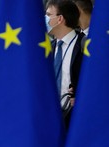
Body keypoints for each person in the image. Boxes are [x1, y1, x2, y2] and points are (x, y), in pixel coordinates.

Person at [45, 0, 84, 129]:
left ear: (60, 19)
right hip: (49, 116)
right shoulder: (48, 48)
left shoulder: (85, 46)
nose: (45, 19)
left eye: (48, 15)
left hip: (74, 119)